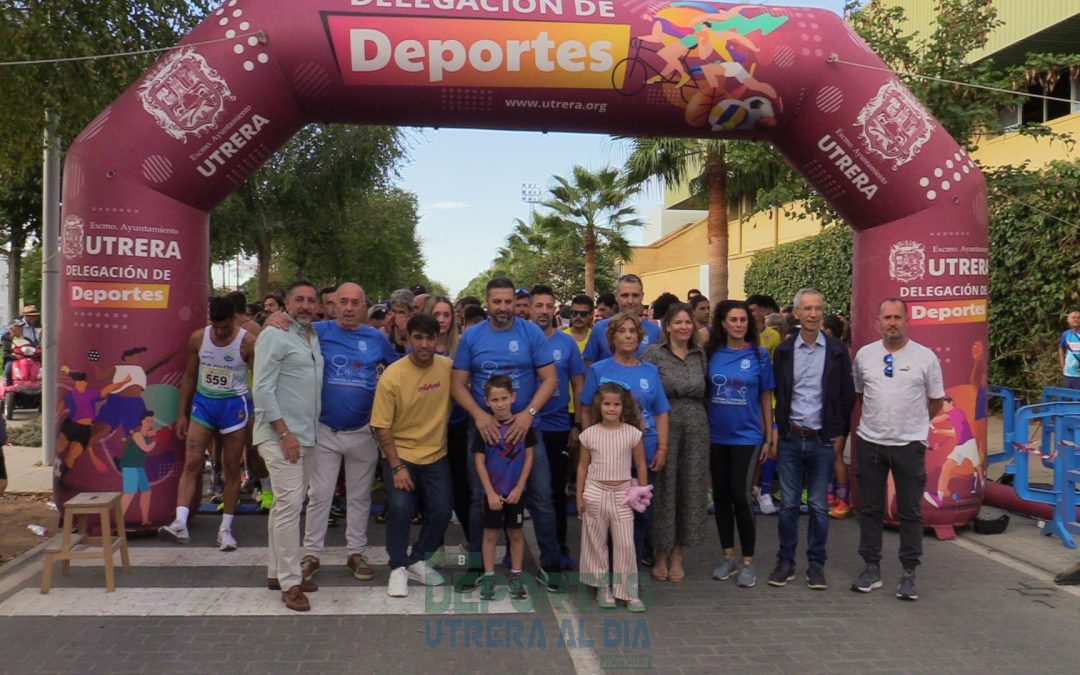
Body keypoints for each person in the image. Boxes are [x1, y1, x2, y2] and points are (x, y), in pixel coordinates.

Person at [280, 282, 399, 584]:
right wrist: (274, 317)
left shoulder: (376, 338)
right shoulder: (317, 331)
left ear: (364, 307)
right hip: (324, 430)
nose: (348, 308)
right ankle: (311, 554)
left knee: (360, 497)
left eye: (354, 303)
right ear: (333, 305)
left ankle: (356, 553)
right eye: (342, 302)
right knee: (319, 495)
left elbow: (400, 371)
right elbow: (282, 332)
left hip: (363, 431)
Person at [451, 276, 560, 592]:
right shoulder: (472, 336)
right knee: (479, 498)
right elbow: (457, 384)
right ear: (487, 302)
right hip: (484, 431)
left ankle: (550, 564)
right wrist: (479, 414)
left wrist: (528, 414)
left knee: (541, 496)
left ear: (516, 302)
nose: (503, 307)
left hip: (524, 430)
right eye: (496, 301)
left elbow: (550, 379)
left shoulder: (531, 333)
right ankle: (477, 566)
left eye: (508, 301)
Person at [850, 298, 944, 601]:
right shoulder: (864, 355)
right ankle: (871, 568)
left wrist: (913, 425)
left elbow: (936, 401)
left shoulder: (925, 357)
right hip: (871, 443)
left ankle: (908, 573)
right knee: (870, 509)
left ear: (907, 320)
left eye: (897, 317)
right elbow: (861, 395)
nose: (892, 323)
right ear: (877, 322)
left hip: (909, 446)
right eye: (887, 317)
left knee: (910, 511)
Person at [766, 289, 854, 591]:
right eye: (807, 309)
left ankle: (816, 565)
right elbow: (779, 392)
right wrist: (779, 429)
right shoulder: (785, 350)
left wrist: (835, 429)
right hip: (791, 437)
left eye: (818, 309)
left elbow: (846, 396)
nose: (814, 314)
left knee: (818, 506)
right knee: (788, 506)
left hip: (821, 439)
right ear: (797, 313)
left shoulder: (837, 351)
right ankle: (786, 562)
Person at [159, 296, 256, 551]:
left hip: (233, 407)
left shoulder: (247, 342)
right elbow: (190, 375)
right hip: (204, 405)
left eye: (225, 327)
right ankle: (180, 523)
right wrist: (182, 414)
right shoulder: (199, 338)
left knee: (231, 467)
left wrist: (257, 413)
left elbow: (259, 379)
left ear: (234, 319)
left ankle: (226, 529)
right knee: (192, 461)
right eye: (215, 326)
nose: (220, 332)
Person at [252, 280, 324, 612]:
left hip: (306, 436)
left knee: (285, 506)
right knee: (290, 508)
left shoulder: (313, 335)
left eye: (311, 300)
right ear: (286, 304)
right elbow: (262, 389)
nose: (305, 305)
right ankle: (291, 583)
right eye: (299, 300)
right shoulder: (274, 334)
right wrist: (283, 433)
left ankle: (276, 572)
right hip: (281, 437)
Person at [371, 314, 454, 598]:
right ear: (408, 339)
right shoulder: (393, 375)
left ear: (437, 340)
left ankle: (418, 559)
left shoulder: (448, 368)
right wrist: (396, 467)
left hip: (436, 454)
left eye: (430, 338)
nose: (424, 344)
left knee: (442, 510)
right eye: (418, 338)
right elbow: (381, 426)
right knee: (401, 508)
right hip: (400, 454)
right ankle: (397, 566)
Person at [579, 312, 671, 566]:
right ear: (612, 338)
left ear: (640, 337)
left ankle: (630, 570)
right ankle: (605, 569)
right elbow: (585, 408)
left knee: (639, 514)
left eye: (632, 331)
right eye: (622, 331)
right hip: (608, 458)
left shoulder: (650, 371)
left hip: (645, 453)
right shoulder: (598, 370)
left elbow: (661, 411)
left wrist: (662, 448)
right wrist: (589, 443)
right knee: (607, 515)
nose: (628, 336)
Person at [706, 299, 775, 588]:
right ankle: (728, 557)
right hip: (716, 436)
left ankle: (748, 562)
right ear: (723, 323)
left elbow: (765, 397)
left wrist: (770, 436)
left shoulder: (759, 355)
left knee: (740, 495)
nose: (738, 325)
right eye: (733, 320)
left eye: (743, 320)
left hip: (748, 436)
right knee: (721, 497)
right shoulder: (711, 354)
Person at [642, 303, 709, 582]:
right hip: (664, 426)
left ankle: (678, 554)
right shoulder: (653, 354)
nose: (684, 327)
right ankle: (660, 553)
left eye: (688, 322)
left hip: (696, 428)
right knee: (664, 490)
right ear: (667, 326)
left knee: (689, 490)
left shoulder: (699, 354)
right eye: (678, 322)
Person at [576, 382, 649, 612]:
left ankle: (629, 592)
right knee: (596, 542)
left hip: (623, 495)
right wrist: (579, 497)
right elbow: (582, 467)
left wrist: (642, 492)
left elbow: (640, 464)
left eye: (616, 404)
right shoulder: (589, 434)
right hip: (595, 492)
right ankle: (602, 587)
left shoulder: (632, 434)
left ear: (624, 407)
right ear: (599, 406)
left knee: (625, 544)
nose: (611, 408)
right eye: (607, 404)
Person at [530, 285, 586, 569]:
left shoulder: (566, 344)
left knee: (554, 491)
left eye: (548, 306)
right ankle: (513, 547)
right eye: (538, 305)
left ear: (554, 309)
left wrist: (577, 424)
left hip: (557, 426)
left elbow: (578, 384)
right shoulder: (521, 340)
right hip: (525, 425)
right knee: (519, 490)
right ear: (529, 308)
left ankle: (560, 546)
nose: (543, 311)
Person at [473, 375, 535, 601]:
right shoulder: (485, 428)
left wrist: (519, 487)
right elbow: (479, 461)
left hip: (515, 493)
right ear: (487, 402)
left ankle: (516, 576)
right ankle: (489, 577)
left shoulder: (523, 426)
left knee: (515, 534)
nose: (500, 404)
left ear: (513, 397)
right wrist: (490, 492)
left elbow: (529, 457)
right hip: (493, 494)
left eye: (504, 398)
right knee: (490, 534)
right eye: (495, 399)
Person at [425, 295, 471, 548]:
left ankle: (473, 544)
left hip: (458, 427)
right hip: (428, 430)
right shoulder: (419, 348)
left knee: (463, 491)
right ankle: (435, 549)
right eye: (436, 314)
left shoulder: (462, 346)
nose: (441, 320)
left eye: (446, 315)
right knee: (434, 496)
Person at [583, 275, 662, 365]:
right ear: (616, 296)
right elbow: (588, 364)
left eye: (635, 295)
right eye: (625, 295)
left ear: (642, 296)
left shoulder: (655, 331)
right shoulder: (600, 328)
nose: (630, 301)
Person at [120, 411, 156, 526]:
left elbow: (151, 434)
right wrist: (155, 441)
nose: (150, 423)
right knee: (129, 493)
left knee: (146, 492)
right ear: (142, 422)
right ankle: (119, 519)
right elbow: (146, 448)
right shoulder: (137, 435)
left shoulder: (145, 434)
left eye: (151, 421)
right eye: (147, 421)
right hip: (130, 466)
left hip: (138, 466)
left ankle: (145, 520)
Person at [387, 288, 415, 355]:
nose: (396, 316)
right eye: (394, 311)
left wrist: (404, 336)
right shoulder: (385, 329)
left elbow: (413, 357)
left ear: (411, 312)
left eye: (401, 312)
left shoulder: (417, 331)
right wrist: (387, 332)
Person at [1059, 310, 1080, 389]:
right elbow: (1061, 348)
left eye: (1078, 317)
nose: (1075, 319)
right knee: (1067, 395)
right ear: (1068, 320)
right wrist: (1062, 365)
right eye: (1073, 317)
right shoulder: (1066, 334)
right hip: (1068, 373)